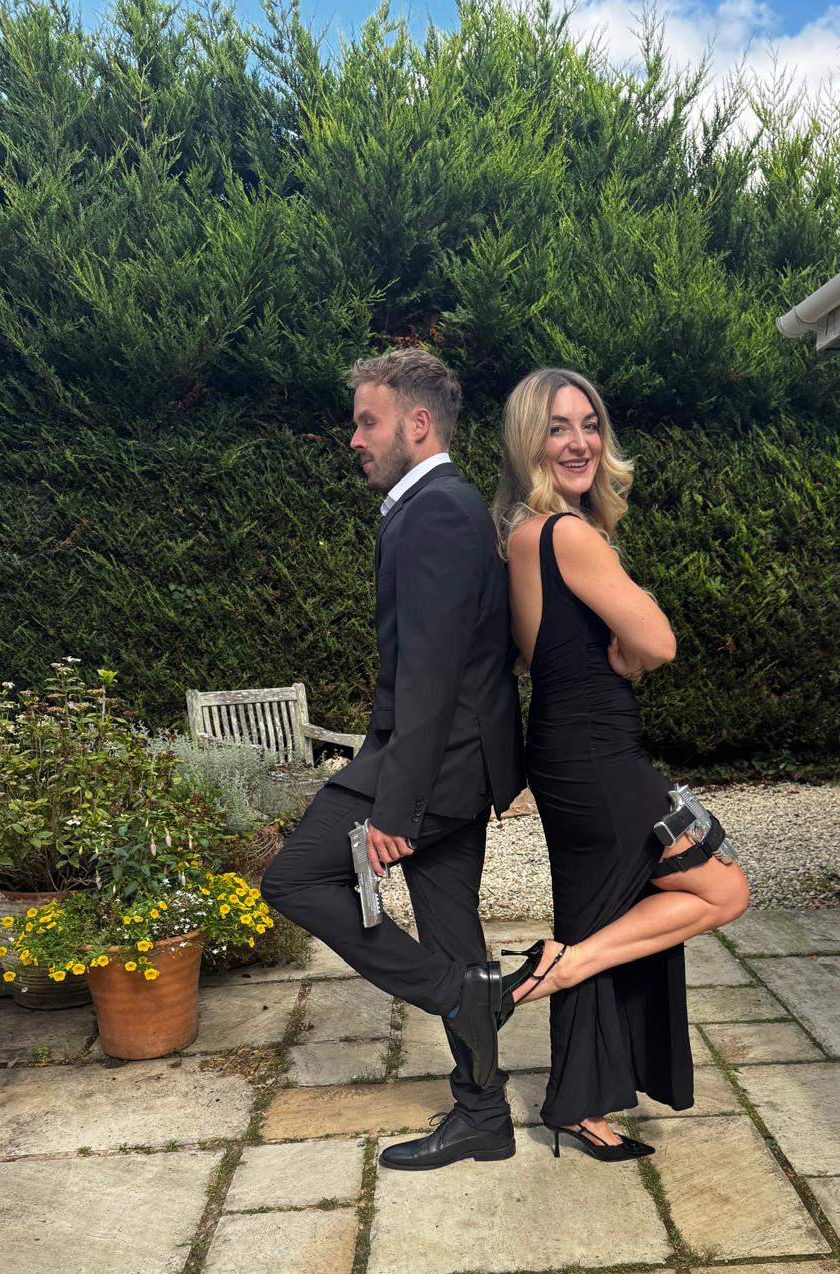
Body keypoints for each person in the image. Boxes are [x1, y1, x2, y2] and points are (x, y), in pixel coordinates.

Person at [262, 349, 526, 1172]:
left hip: (432, 766)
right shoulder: (436, 506)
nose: (353, 438)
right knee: (452, 936)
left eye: (366, 421)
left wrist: (395, 810)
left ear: (418, 424)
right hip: (451, 764)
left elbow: (433, 674)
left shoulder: (439, 510)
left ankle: (459, 995)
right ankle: (483, 1113)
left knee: (295, 879)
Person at [493, 368, 750, 1161]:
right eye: (558, 428)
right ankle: (557, 969)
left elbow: (556, 655)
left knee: (605, 911)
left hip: (566, 750)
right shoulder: (570, 535)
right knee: (721, 887)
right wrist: (636, 659)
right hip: (600, 757)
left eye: (589, 424)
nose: (578, 443)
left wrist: (626, 663)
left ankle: (575, 1102)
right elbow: (661, 642)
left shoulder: (521, 539)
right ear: (529, 443)